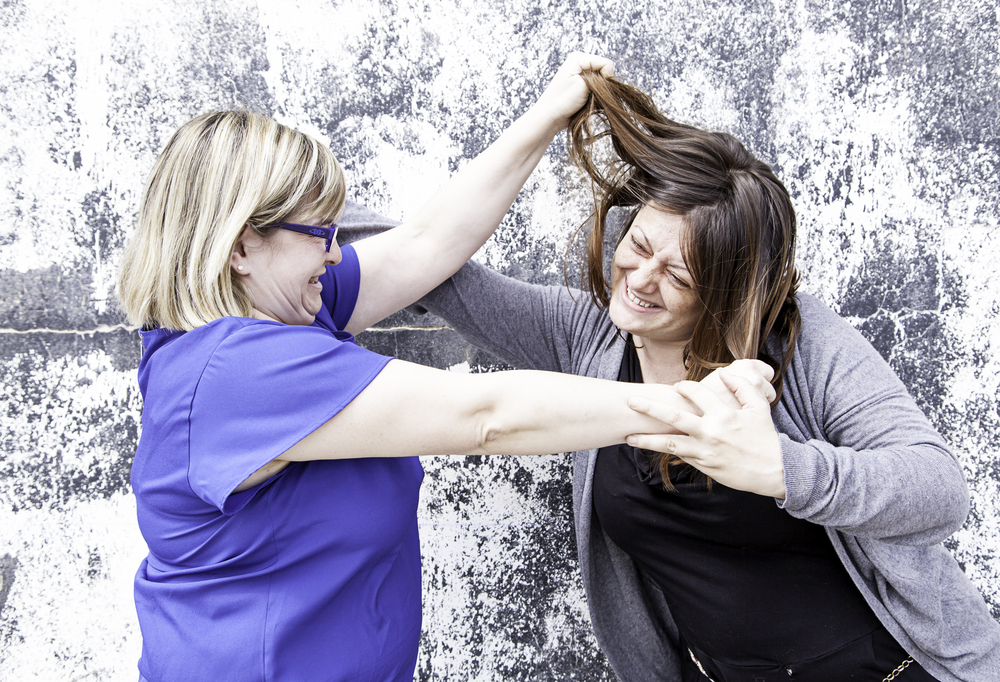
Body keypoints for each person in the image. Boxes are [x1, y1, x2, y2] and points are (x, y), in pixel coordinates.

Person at [116, 55, 777, 682]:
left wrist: (551, 112)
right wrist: (689, 405)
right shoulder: (239, 374)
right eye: (320, 233)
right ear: (241, 247)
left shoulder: (284, 313)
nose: (334, 251)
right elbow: (485, 418)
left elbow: (427, 246)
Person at [343, 74, 1000, 680]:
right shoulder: (585, 335)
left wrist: (781, 469)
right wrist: (268, 231)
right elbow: (429, 267)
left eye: (680, 275)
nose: (642, 279)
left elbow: (940, 490)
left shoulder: (797, 341)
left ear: (728, 290)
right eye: (641, 245)